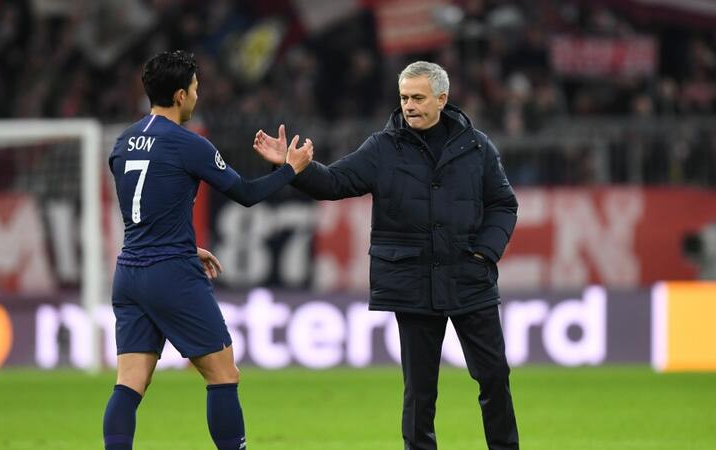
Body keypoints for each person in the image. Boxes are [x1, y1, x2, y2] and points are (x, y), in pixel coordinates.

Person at [254, 61, 519, 450]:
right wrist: (295, 170)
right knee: (420, 391)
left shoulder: (477, 147)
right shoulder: (382, 147)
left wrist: (485, 253)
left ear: (442, 99)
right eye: (404, 97)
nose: (409, 105)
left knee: (494, 377)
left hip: (469, 278)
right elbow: (335, 182)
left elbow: (503, 204)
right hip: (413, 282)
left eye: (418, 97)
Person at [104, 50, 312, 450]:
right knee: (223, 375)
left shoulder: (122, 142)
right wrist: (290, 169)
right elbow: (246, 194)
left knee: (129, 383)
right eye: (195, 89)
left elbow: (145, 209)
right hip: (171, 274)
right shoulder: (189, 144)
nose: (198, 97)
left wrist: (183, 244)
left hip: (129, 272)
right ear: (180, 95)